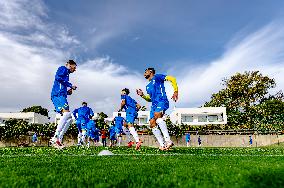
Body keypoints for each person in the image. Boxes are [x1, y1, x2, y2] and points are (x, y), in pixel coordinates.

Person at [136, 68, 178, 150]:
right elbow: (149, 99)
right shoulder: (148, 86)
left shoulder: (157, 77)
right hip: (154, 105)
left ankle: (168, 141)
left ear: (151, 72)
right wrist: (142, 95)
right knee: (152, 123)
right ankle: (162, 145)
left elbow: (172, 79)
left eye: (146, 71)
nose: (144, 73)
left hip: (162, 101)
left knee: (157, 115)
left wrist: (175, 91)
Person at [50, 60, 77, 148]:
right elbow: (58, 78)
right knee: (67, 114)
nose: (75, 70)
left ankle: (59, 139)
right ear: (69, 65)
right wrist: (70, 85)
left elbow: (61, 84)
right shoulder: (63, 69)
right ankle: (55, 138)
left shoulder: (67, 74)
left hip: (61, 95)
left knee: (69, 119)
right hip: (58, 95)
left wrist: (68, 91)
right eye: (74, 67)